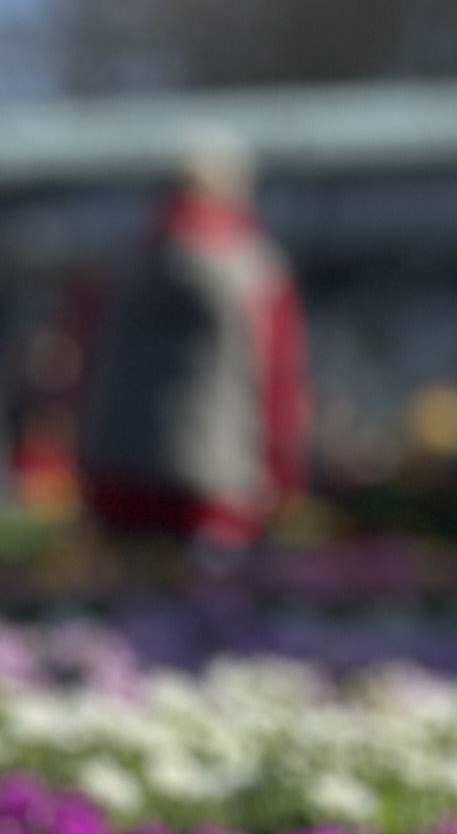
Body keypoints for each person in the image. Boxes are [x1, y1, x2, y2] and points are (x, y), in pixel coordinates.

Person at [75, 132, 306, 545]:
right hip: (216, 480)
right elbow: (280, 376)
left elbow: (86, 359)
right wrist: (282, 471)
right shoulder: (254, 267)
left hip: (115, 468)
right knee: (209, 605)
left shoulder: (123, 264)